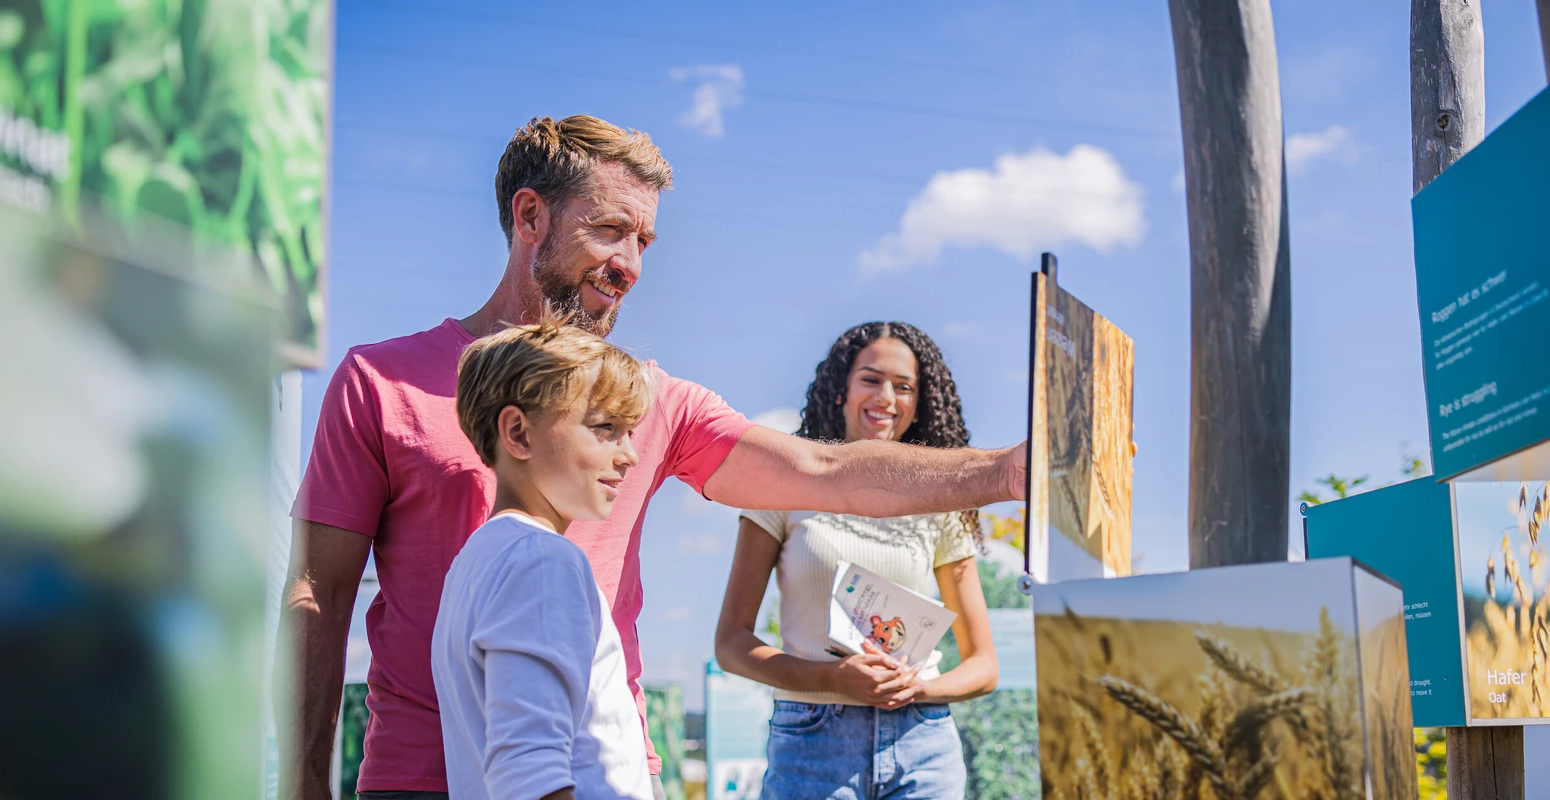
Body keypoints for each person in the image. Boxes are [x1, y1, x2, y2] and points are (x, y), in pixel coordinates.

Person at [278, 116, 1025, 800]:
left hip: (603, 772)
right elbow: (318, 589)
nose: (630, 264)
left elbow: (826, 473)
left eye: (645, 242)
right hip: (418, 776)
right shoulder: (379, 381)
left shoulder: (651, 399)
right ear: (529, 216)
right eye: (610, 230)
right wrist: (305, 780)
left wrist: (1008, 472)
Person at [714, 321, 1000, 800]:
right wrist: (832, 678)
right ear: (840, 390)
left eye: (904, 386)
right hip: (812, 742)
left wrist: (916, 689)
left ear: (919, 403)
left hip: (923, 742)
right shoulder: (782, 487)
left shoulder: (939, 505)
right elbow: (731, 645)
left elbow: (984, 665)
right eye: (871, 379)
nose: (886, 396)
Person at [433, 319, 656, 800]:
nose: (630, 455)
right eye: (606, 428)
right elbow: (529, 773)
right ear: (518, 432)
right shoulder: (541, 560)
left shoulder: (476, 561)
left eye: (630, 432)